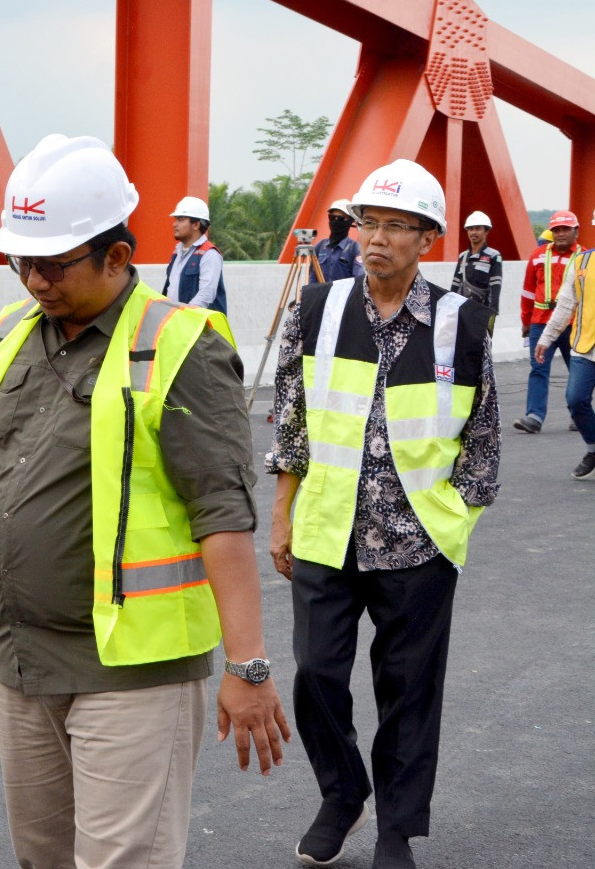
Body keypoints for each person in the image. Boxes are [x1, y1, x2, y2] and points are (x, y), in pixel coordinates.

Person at [0, 135, 290, 869]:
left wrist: (249, 665)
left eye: (53, 264)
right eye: (22, 262)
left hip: (133, 672)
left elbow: (223, 516)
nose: (34, 280)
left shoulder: (179, 346)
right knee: (43, 859)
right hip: (22, 660)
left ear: (117, 257)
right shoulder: (7, 338)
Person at [267, 159, 499, 869]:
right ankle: (343, 794)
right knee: (315, 673)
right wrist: (282, 515)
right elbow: (291, 422)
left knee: (408, 694)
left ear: (427, 239)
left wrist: (452, 522)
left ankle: (397, 828)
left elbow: (482, 438)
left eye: (398, 226)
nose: (378, 237)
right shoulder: (316, 308)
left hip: (418, 543)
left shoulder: (462, 321)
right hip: (327, 532)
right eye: (370, 221)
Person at [532, 217, 595, 479]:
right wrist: (546, 338)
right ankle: (593, 447)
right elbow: (566, 304)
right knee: (575, 399)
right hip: (584, 347)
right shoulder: (582, 262)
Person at [514, 209, 580, 434]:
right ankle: (534, 417)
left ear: (575, 231)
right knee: (538, 369)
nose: (561, 234)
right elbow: (528, 292)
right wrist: (526, 321)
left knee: (579, 371)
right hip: (541, 324)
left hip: (573, 325)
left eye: (565, 229)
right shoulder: (538, 255)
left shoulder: (584, 258)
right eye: (557, 230)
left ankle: (579, 415)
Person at [162, 195, 227, 313]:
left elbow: (206, 295)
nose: (175, 224)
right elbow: (170, 291)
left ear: (196, 224)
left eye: (180, 219)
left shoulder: (209, 254)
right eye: (176, 219)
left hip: (200, 328)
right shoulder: (177, 253)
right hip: (179, 324)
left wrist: (184, 315)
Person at [449, 211, 502, 330]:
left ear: (486, 231)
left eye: (478, 229)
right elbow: (455, 284)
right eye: (470, 229)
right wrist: (449, 306)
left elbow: (496, 285)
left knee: (481, 346)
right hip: (462, 310)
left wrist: (493, 311)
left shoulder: (493, 256)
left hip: (483, 311)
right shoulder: (463, 256)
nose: (473, 232)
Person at [315, 199, 362, 281]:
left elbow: (359, 280)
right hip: (321, 293)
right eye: (332, 218)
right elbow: (312, 277)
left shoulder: (355, 249)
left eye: (340, 219)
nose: (335, 221)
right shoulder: (320, 246)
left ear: (350, 221)